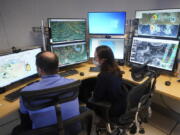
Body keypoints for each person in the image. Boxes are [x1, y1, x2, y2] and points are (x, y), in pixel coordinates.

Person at [12, 51, 80, 134]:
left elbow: (25, 120)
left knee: (16, 130)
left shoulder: (26, 93)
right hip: (73, 129)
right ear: (58, 67)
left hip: (45, 133)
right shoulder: (72, 83)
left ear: (39, 70)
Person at [93, 45, 127, 117]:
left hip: (112, 109)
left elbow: (97, 97)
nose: (94, 60)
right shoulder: (116, 69)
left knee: (86, 98)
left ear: (103, 60)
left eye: (95, 58)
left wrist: (92, 93)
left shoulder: (103, 76)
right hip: (122, 104)